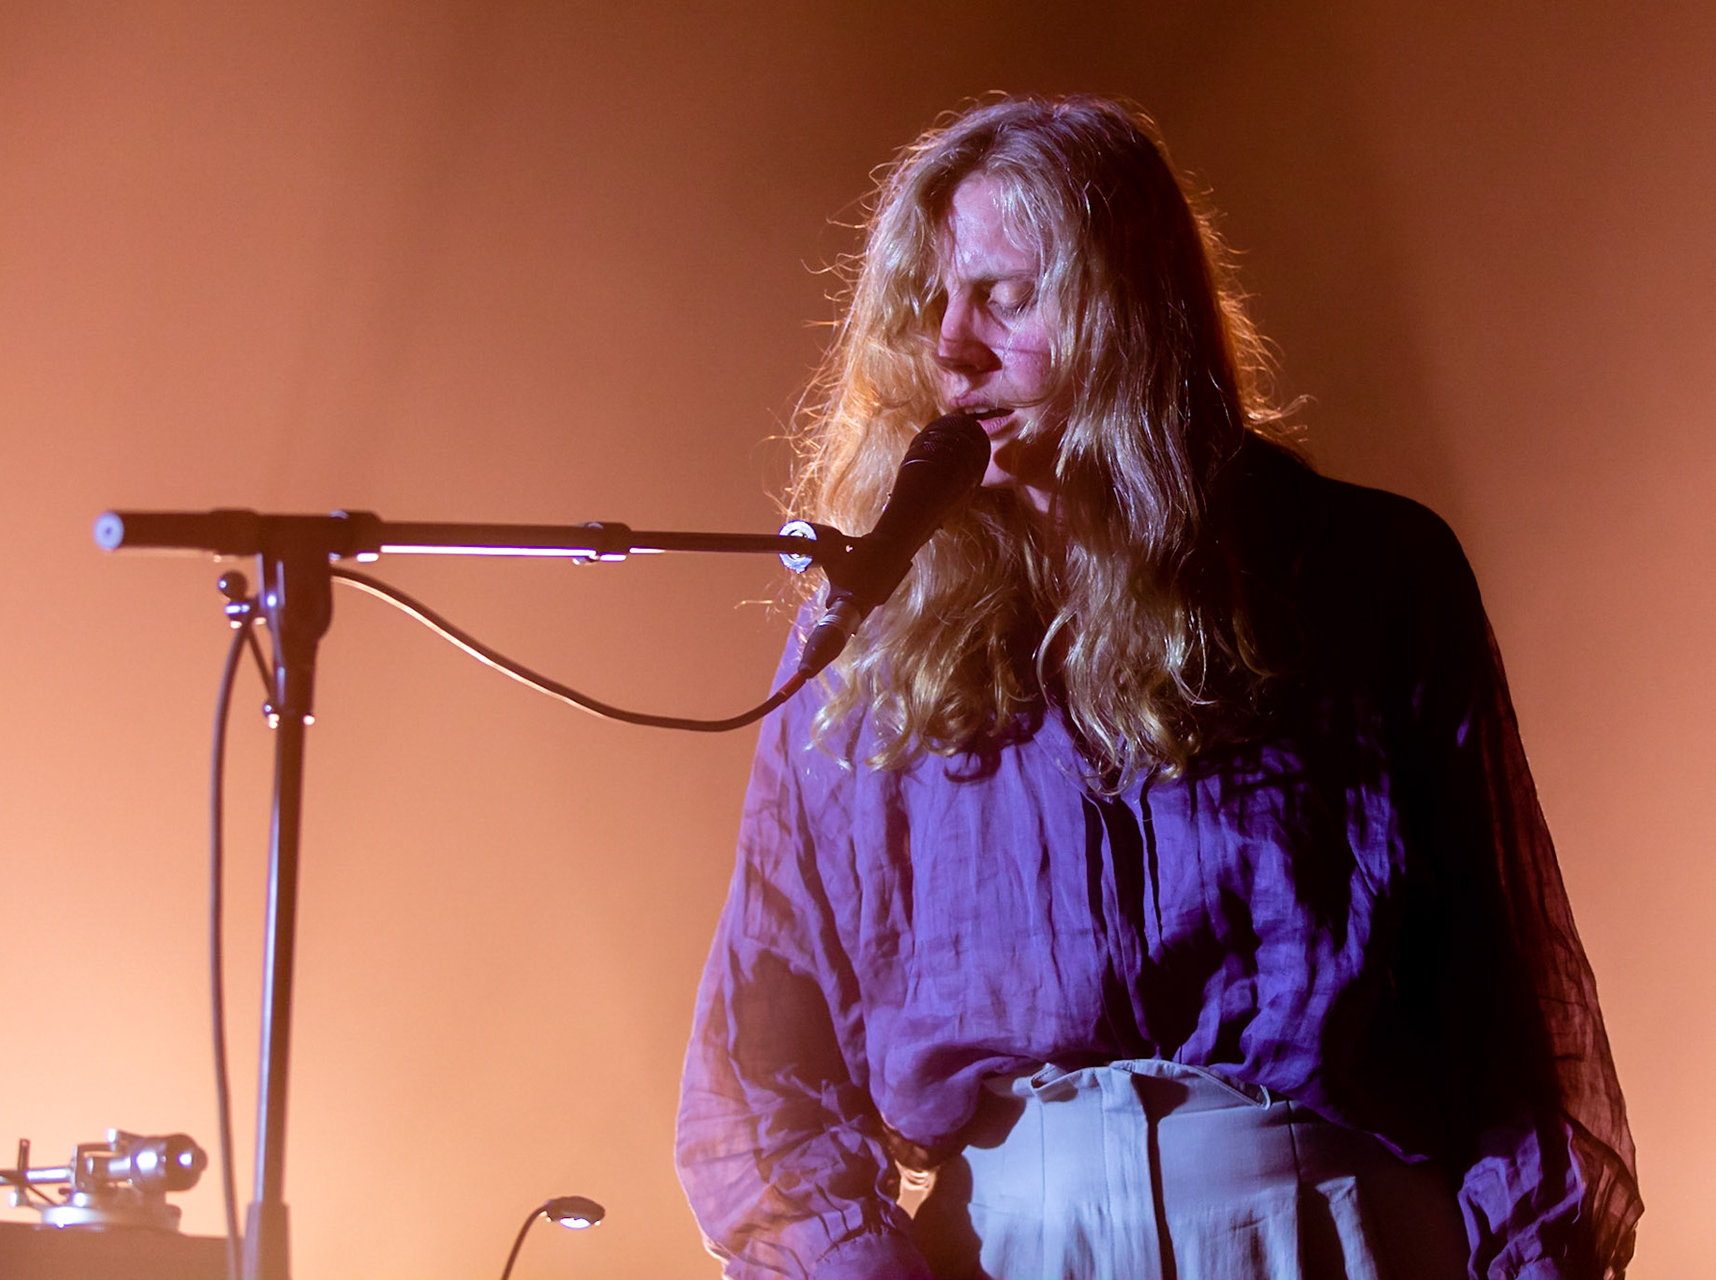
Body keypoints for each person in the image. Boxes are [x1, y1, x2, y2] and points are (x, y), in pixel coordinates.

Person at [673, 95, 1640, 1280]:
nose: (952, 348)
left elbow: (1504, 1022)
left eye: (1005, 296)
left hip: (1328, 1225)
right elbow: (763, 1062)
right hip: (1012, 1240)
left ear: (1131, 308)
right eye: (929, 304)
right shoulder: (870, 635)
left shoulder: (1365, 573)